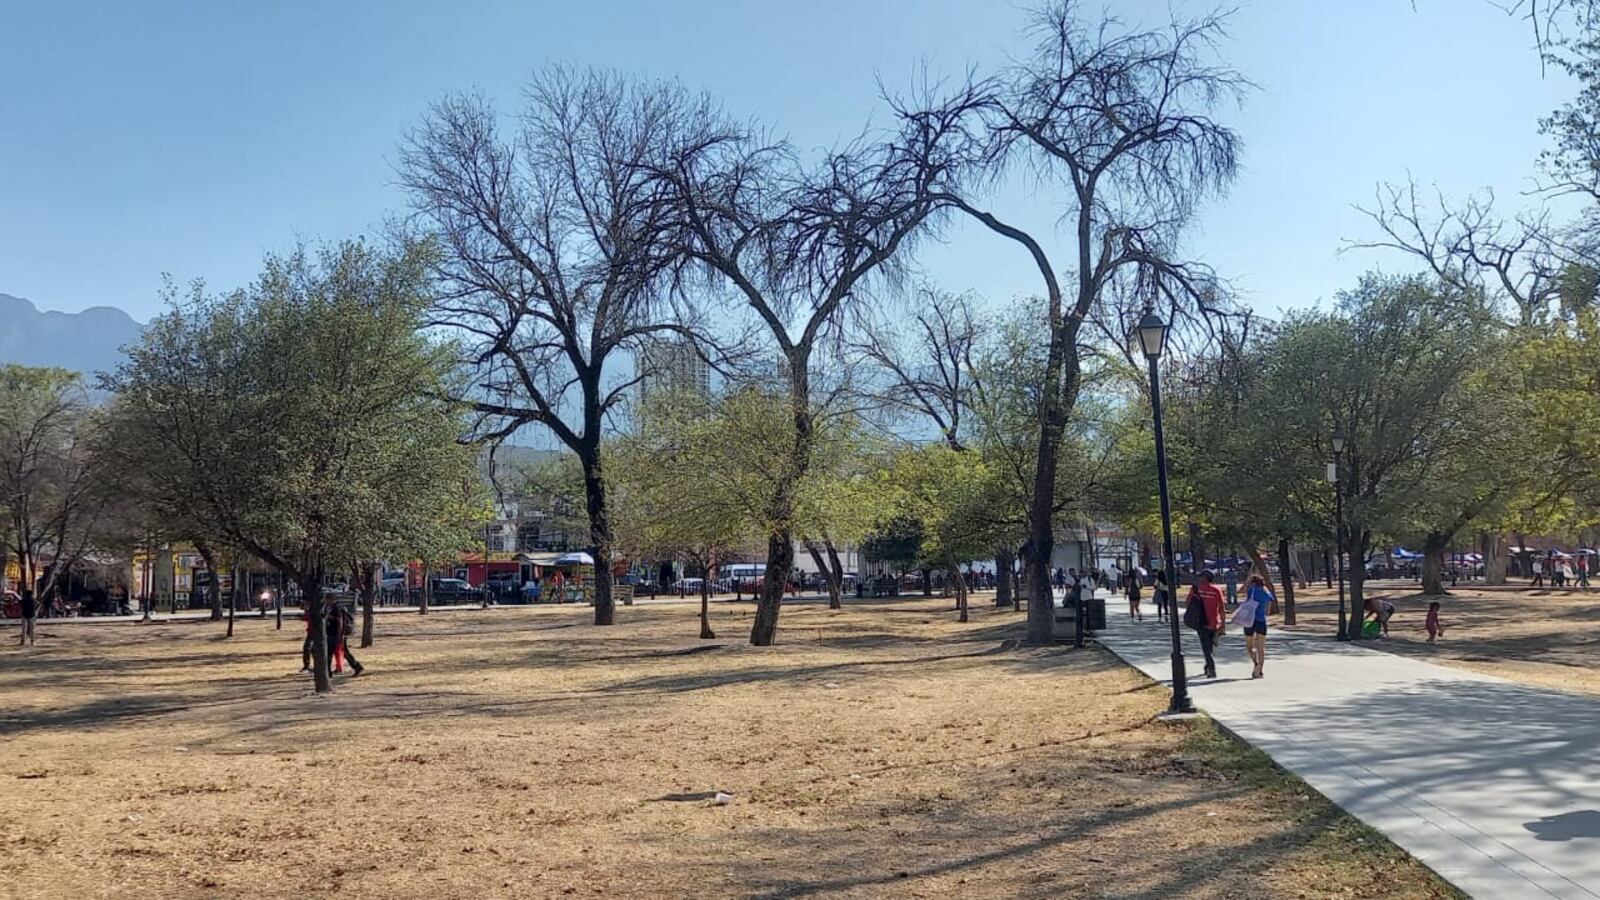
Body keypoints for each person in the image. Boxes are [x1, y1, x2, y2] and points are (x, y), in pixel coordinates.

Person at [1184, 570, 1226, 679]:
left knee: (1206, 647)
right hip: (1214, 622)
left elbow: (1188, 603)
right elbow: (1222, 608)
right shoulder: (1217, 590)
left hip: (1201, 621)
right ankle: (1207, 666)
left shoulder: (1196, 589)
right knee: (1209, 646)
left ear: (1205, 578)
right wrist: (1223, 624)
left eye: (1201, 576)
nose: (1199, 578)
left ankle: (1211, 668)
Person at [1239, 574, 1273, 679]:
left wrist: (1246, 582)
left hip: (1249, 620)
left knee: (1250, 647)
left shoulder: (1251, 590)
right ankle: (1260, 670)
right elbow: (1268, 608)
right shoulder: (1266, 591)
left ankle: (1256, 663)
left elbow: (1240, 591)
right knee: (1261, 647)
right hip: (1261, 620)